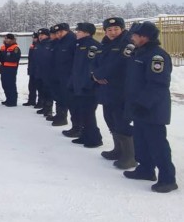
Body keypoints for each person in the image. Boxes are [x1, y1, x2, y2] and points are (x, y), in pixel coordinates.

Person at [122, 21, 177, 193]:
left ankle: (168, 179)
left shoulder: (156, 56)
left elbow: (158, 84)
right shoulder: (139, 53)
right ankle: (145, 169)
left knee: (157, 144)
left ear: (144, 37)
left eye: (135, 35)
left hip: (152, 108)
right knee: (141, 140)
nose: (132, 37)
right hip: (138, 107)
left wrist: (144, 104)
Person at [92, 17, 136, 169]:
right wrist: (95, 74)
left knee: (121, 121)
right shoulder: (105, 43)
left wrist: (101, 74)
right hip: (106, 89)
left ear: (122, 29)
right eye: (109, 29)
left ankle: (130, 156)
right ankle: (118, 149)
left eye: (116, 29)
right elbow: (95, 62)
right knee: (109, 118)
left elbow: (119, 63)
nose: (112, 32)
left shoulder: (128, 43)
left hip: (120, 89)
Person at [66, 22, 102, 147]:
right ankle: (85, 136)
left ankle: (94, 139)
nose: (77, 33)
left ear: (87, 33)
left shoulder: (92, 46)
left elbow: (90, 67)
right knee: (82, 113)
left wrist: (88, 84)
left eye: (79, 31)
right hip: (78, 85)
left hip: (88, 87)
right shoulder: (79, 45)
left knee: (88, 114)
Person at [48, 23, 76, 127]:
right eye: (57, 33)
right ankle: (60, 116)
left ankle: (76, 126)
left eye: (61, 32)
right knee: (59, 97)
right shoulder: (58, 42)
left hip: (68, 76)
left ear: (67, 31)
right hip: (58, 75)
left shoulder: (72, 41)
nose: (58, 34)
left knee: (70, 101)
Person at [34, 28, 54, 116]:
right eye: (39, 35)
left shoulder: (51, 44)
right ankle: (44, 107)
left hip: (48, 72)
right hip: (39, 72)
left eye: (42, 35)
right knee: (41, 90)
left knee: (48, 91)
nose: (40, 36)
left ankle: (49, 109)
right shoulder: (38, 45)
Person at [0, 33, 21, 107]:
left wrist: (4, 59)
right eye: (6, 38)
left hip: (11, 70)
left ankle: (13, 101)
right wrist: (4, 59)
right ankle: (8, 99)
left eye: (8, 39)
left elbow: (15, 58)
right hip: (3, 69)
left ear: (12, 40)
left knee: (11, 85)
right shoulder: (3, 47)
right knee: (5, 85)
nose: (6, 40)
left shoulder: (15, 48)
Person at [23, 33, 39, 106]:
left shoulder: (39, 46)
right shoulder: (32, 46)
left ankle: (40, 102)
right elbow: (30, 59)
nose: (34, 39)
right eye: (33, 38)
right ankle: (31, 100)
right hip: (32, 68)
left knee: (39, 87)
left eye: (35, 38)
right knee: (31, 86)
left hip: (37, 69)